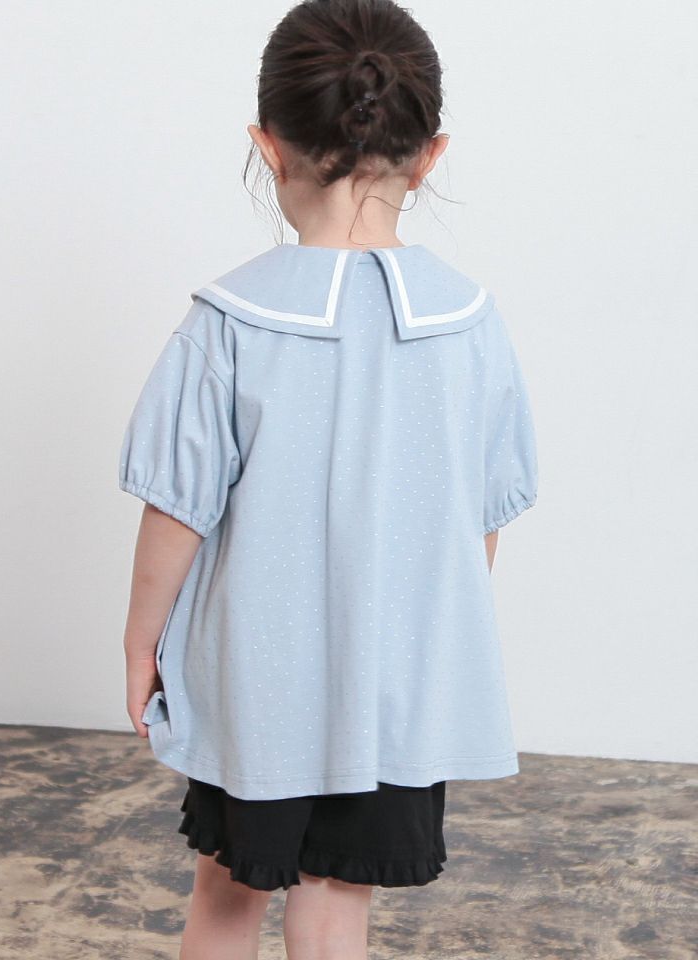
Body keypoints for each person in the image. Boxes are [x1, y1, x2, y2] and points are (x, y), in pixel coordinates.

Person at [118, 0, 539, 955]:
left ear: (267, 146)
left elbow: (176, 508)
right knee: (338, 904)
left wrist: (143, 643)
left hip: (255, 685)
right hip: (393, 690)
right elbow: (478, 526)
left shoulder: (229, 320)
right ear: (429, 156)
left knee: (227, 894)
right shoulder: (470, 324)